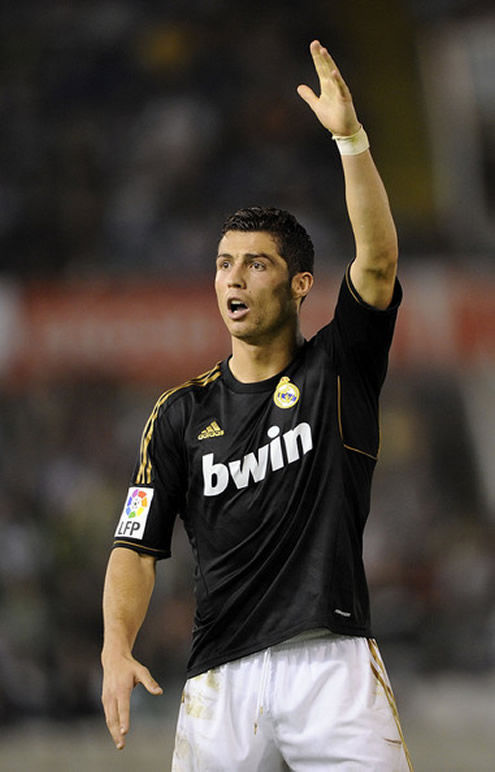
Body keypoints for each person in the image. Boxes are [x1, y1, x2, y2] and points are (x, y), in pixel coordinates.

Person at [101, 40, 413, 771]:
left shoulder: (339, 366)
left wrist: (350, 140)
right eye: (222, 263)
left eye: (256, 263)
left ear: (300, 284)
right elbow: (134, 548)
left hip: (329, 667)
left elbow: (377, 261)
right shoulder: (178, 414)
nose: (232, 278)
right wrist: (116, 646)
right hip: (219, 684)